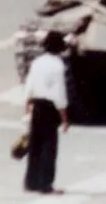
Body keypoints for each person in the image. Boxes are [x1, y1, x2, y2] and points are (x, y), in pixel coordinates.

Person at [22, 31, 70, 195]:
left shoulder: (37, 62)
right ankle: (46, 184)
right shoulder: (58, 66)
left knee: (35, 144)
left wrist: (27, 106)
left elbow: (29, 85)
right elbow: (59, 94)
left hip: (37, 106)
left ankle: (31, 182)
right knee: (49, 147)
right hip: (50, 108)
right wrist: (64, 118)